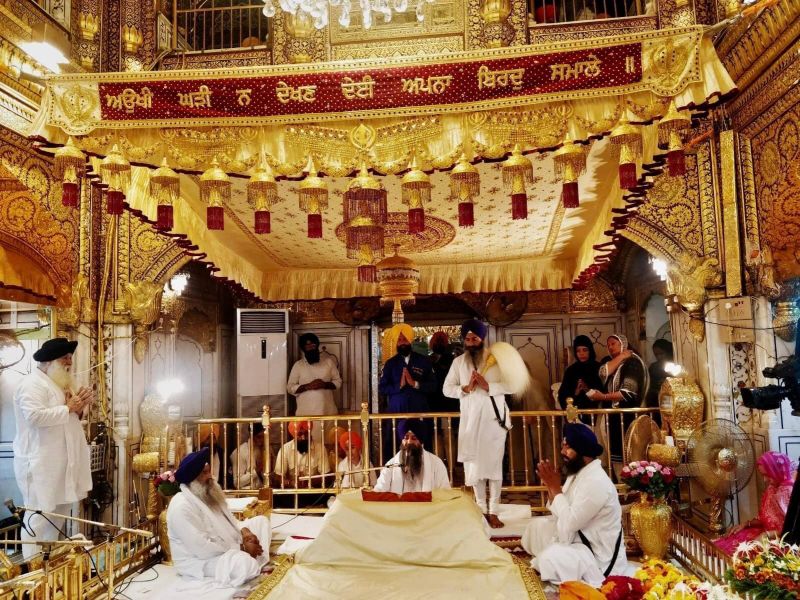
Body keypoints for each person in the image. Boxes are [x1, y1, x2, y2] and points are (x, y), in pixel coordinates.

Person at [12, 337, 94, 559]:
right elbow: (34, 417)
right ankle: (32, 568)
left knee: (58, 517)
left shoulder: (59, 384)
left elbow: (70, 417)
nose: (69, 363)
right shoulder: (31, 384)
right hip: (40, 464)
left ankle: (51, 566)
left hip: (62, 464)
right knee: (39, 517)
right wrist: (68, 408)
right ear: (49, 362)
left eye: (70, 358)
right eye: (64, 358)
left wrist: (79, 409)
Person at [521, 423, 626, 588]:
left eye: (568, 448)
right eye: (563, 446)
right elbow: (561, 512)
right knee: (536, 527)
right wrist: (551, 486)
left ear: (584, 454)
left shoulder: (596, 482)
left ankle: (553, 559)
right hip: (577, 537)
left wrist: (555, 489)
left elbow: (570, 522)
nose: (563, 452)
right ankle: (554, 556)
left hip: (597, 556)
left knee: (550, 557)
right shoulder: (578, 472)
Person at [443, 319, 516, 528]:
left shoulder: (497, 360)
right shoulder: (458, 363)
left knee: (493, 468)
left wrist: (488, 385)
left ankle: (494, 511)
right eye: (467, 338)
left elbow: (512, 385)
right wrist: (464, 389)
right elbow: (446, 389)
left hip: (494, 423)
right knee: (474, 468)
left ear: (482, 339)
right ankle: (481, 509)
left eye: (474, 338)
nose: (471, 342)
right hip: (471, 423)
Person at [167, 448, 271, 588]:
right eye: (205, 473)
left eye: (209, 471)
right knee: (245, 565)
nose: (211, 476)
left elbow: (231, 522)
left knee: (262, 522)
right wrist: (242, 548)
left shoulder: (207, 494)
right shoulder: (181, 507)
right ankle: (252, 558)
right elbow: (201, 547)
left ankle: (253, 555)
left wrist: (245, 532)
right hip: (202, 560)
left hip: (230, 546)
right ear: (193, 478)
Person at [715, 451, 796, 555]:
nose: (765, 480)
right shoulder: (773, 487)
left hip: (784, 541)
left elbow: (791, 528)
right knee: (727, 543)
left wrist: (766, 535)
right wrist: (746, 524)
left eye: (768, 475)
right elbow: (766, 518)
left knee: (743, 553)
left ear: (778, 471)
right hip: (765, 532)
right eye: (763, 475)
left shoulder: (789, 492)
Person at [586, 334, 649, 465]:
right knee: (613, 460)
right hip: (615, 419)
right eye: (608, 345)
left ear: (623, 345)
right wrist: (621, 356)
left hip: (627, 418)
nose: (610, 347)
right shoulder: (618, 363)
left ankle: (625, 484)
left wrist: (602, 396)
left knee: (627, 460)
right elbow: (603, 372)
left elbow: (627, 393)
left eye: (613, 343)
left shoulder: (632, 363)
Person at [378, 323, 436, 455]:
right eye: (399, 340)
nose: (402, 343)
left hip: (419, 411)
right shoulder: (390, 363)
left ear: (410, 340)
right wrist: (399, 386)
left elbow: (433, 386)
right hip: (397, 412)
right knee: (394, 447)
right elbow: (382, 388)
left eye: (404, 339)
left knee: (422, 447)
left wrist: (415, 383)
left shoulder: (423, 361)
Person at [287, 332, 342, 442]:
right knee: (308, 446)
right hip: (305, 415)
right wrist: (307, 386)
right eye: (308, 346)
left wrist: (324, 384)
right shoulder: (298, 365)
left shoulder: (328, 362)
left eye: (313, 345)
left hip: (327, 413)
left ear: (317, 346)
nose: (311, 348)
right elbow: (290, 387)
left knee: (328, 444)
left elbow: (338, 382)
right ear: (303, 349)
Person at [374, 430, 450, 494]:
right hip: (399, 510)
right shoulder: (391, 465)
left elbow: (445, 493)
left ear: (421, 441)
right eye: (406, 438)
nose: (409, 441)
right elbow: (380, 489)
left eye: (414, 438)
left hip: (428, 510)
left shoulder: (436, 463)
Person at [273, 420, 332, 488]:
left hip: (314, 491)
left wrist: (308, 481)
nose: (303, 437)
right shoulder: (285, 449)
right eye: (300, 434)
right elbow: (278, 476)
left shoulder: (320, 448)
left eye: (306, 433)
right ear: (294, 436)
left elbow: (326, 476)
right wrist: (290, 483)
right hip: (292, 491)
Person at [558, 335, 603, 414]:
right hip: (576, 415)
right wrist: (576, 392)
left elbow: (604, 392)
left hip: (597, 415)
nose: (581, 354)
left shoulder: (599, 368)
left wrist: (587, 390)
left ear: (590, 350)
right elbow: (562, 395)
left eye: (585, 350)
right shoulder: (571, 370)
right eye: (578, 351)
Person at [645, 339, 674, 425]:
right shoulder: (654, 367)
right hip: (655, 401)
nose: (659, 357)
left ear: (667, 352)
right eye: (656, 354)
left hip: (670, 400)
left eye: (661, 354)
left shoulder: (674, 364)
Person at [231, 423, 266, 489]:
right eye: (259, 437)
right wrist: (256, 471)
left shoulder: (265, 449)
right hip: (246, 495)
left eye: (264, 437)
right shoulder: (240, 452)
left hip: (262, 491)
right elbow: (237, 483)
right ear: (251, 435)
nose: (262, 440)